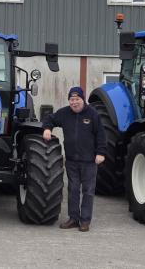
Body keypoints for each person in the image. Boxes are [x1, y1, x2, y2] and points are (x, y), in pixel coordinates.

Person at [43, 86, 107, 232]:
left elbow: (101, 135)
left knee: (88, 191)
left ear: (82, 100)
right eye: (71, 100)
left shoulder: (92, 114)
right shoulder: (64, 113)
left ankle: (85, 221)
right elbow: (49, 118)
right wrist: (47, 129)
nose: (74, 102)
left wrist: (100, 153)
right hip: (72, 160)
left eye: (77, 99)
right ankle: (73, 218)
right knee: (72, 190)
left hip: (89, 161)